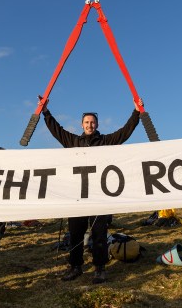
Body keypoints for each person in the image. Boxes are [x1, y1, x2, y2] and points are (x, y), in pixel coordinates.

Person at [41, 96, 142, 284]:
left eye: (92, 122)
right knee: (75, 235)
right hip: (77, 198)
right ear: (82, 125)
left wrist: (136, 113)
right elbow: (57, 130)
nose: (90, 125)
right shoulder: (73, 141)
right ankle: (75, 266)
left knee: (99, 236)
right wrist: (45, 112)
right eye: (87, 122)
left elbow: (124, 133)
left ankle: (100, 269)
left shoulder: (105, 141)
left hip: (98, 197)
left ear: (97, 124)